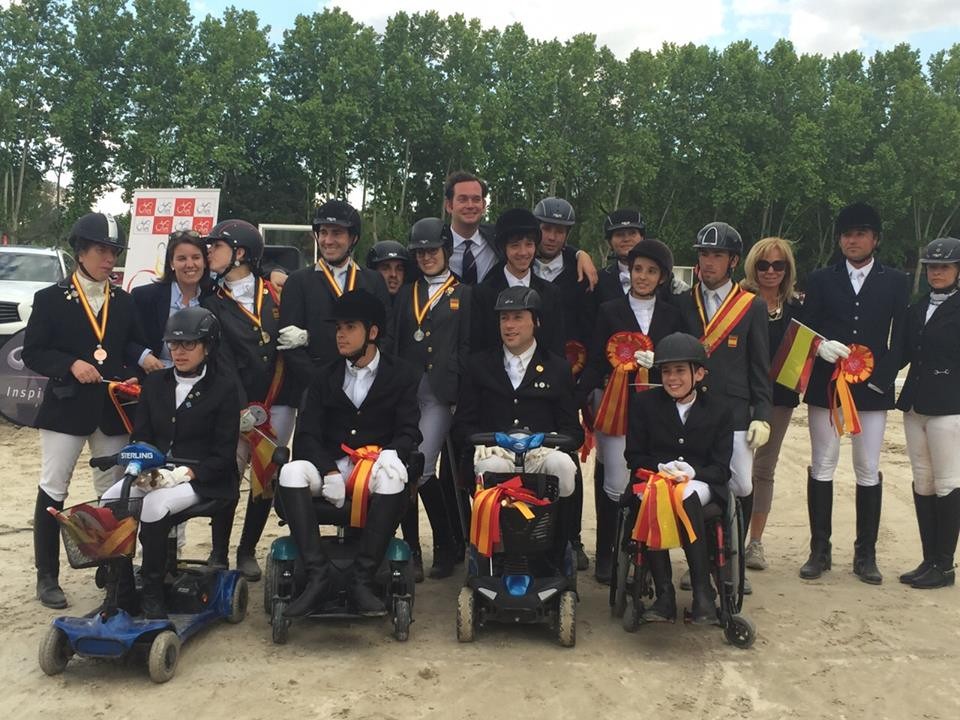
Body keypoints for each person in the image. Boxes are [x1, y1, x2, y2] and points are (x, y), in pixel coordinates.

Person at [22, 212, 148, 608]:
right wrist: (70, 364)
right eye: (100, 250)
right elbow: (33, 352)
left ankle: (111, 564)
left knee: (113, 491)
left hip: (111, 409)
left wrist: (140, 365)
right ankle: (48, 576)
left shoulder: (124, 302)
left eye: (113, 251)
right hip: (66, 408)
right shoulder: (49, 299)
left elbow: (129, 345)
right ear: (80, 251)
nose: (108, 259)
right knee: (53, 486)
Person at [276, 289, 421, 617]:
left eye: (350, 327)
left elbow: (409, 430)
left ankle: (362, 579)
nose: (340, 334)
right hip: (333, 470)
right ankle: (317, 574)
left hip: (375, 467)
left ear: (372, 333)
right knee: (290, 471)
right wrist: (327, 470)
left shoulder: (402, 375)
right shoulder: (322, 377)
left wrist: (392, 454)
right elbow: (308, 435)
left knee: (392, 481)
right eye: (338, 327)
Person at [99, 307, 240, 617]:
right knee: (110, 501)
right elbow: (141, 437)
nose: (179, 352)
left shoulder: (224, 387)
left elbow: (223, 454)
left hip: (204, 477)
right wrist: (140, 466)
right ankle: (120, 587)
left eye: (188, 344)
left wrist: (184, 474)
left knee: (154, 506)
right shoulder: (155, 383)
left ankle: (153, 590)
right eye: (174, 345)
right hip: (155, 472)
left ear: (208, 346)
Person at [799, 202, 909, 584]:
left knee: (866, 468)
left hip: (872, 388)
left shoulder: (896, 281)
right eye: (847, 234)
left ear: (875, 239)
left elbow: (902, 338)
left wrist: (883, 376)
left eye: (860, 233)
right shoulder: (820, 280)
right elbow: (804, 329)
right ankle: (820, 550)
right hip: (828, 385)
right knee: (823, 464)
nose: (853, 240)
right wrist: (819, 347)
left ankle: (866, 555)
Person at [577, 240, 685, 583]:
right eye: (638, 269)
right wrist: (578, 397)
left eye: (651, 271)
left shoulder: (672, 314)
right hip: (616, 403)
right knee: (615, 481)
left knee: (652, 478)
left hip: (657, 405)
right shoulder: (610, 310)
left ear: (662, 277)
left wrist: (660, 365)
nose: (643, 276)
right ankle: (608, 553)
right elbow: (596, 358)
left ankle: (642, 550)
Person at [676, 222, 772, 593]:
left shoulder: (751, 306)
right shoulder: (683, 302)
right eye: (703, 254)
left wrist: (762, 414)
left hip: (734, 412)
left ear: (733, 260)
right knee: (696, 487)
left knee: (742, 485)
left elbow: (759, 367)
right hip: (694, 412)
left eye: (717, 255)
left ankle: (732, 560)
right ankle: (696, 563)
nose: (708, 262)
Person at [203, 219, 298, 581]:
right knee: (229, 473)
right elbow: (220, 360)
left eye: (218, 246)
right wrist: (242, 407)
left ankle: (246, 550)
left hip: (279, 398)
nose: (211, 252)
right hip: (237, 403)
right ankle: (217, 549)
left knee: (265, 474)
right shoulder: (212, 303)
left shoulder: (276, 293)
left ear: (240, 253)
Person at [455, 287, 584, 550]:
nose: (509, 325)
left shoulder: (557, 368)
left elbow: (573, 431)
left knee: (563, 467)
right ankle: (495, 549)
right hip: (496, 452)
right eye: (504, 318)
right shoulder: (479, 365)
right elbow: (463, 424)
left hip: (542, 453)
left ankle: (560, 544)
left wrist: (549, 441)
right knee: (492, 469)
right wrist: (484, 440)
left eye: (517, 317)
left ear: (535, 321)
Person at [624, 332, 734, 623]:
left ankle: (703, 593)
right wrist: (661, 468)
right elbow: (633, 456)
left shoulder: (720, 410)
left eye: (680, 371)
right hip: (655, 479)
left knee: (685, 495)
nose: (672, 379)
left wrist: (693, 472)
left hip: (700, 483)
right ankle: (664, 595)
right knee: (655, 495)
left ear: (699, 373)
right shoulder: (643, 404)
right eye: (666, 371)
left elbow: (722, 469)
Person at [391, 218, 472, 580]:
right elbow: (394, 343)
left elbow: (468, 345)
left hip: (442, 393)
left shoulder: (464, 293)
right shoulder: (406, 292)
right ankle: (419, 546)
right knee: (406, 465)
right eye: (420, 252)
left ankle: (444, 542)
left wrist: (461, 390)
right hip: (408, 390)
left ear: (446, 251)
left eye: (432, 251)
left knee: (422, 468)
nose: (426, 257)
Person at [532, 196, 598, 570]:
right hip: (524, 378)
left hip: (568, 379)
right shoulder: (518, 260)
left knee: (567, 458)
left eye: (560, 231)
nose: (552, 236)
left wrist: (581, 385)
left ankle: (572, 538)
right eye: (546, 228)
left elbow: (591, 332)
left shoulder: (580, 274)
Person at [896, 237, 960, 589]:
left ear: (957, 270)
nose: (937, 272)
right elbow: (902, 353)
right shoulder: (918, 308)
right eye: (933, 266)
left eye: (944, 266)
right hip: (916, 403)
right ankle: (928, 558)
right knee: (923, 481)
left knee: (948, 482)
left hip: (950, 406)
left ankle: (945, 565)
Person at [276, 200, 393, 391]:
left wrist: (365, 376)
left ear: (353, 238)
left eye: (336, 233)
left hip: (366, 386)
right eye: (323, 232)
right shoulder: (298, 282)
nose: (328, 240)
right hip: (316, 388)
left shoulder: (374, 281)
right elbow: (289, 345)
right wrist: (321, 384)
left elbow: (386, 335)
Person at [740, 237, 802, 571]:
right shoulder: (739, 301)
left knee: (764, 470)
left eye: (778, 265)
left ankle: (756, 543)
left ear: (787, 269)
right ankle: (728, 540)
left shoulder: (797, 308)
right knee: (733, 468)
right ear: (753, 266)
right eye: (763, 264)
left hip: (779, 398)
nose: (770, 271)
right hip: (740, 395)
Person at [444, 171, 597, 287]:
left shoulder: (495, 236)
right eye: (463, 199)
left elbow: (547, 244)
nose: (470, 205)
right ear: (449, 205)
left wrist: (579, 254)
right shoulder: (435, 244)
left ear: (484, 205)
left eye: (476, 199)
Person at [472, 208, 566, 356]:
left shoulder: (551, 293)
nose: (523, 253)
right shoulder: (483, 293)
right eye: (515, 246)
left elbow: (556, 349)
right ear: (504, 248)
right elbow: (477, 349)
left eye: (529, 245)